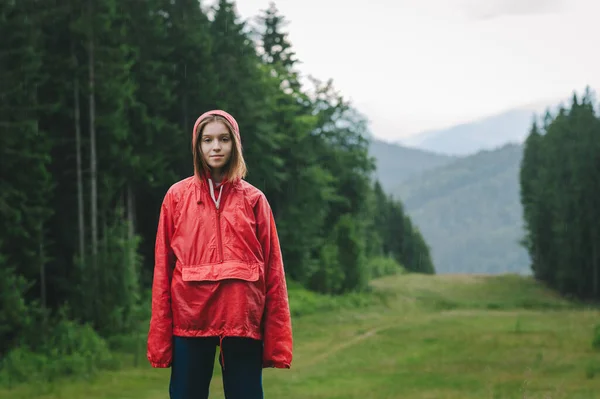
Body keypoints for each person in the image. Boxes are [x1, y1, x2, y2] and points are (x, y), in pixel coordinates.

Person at [147, 110, 293, 399]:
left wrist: (276, 338)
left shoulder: (254, 199)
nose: (216, 147)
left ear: (235, 144)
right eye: (208, 140)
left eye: (224, 139)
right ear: (197, 146)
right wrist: (161, 337)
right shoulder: (176, 197)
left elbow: (273, 271)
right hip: (190, 319)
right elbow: (163, 270)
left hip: (241, 317)